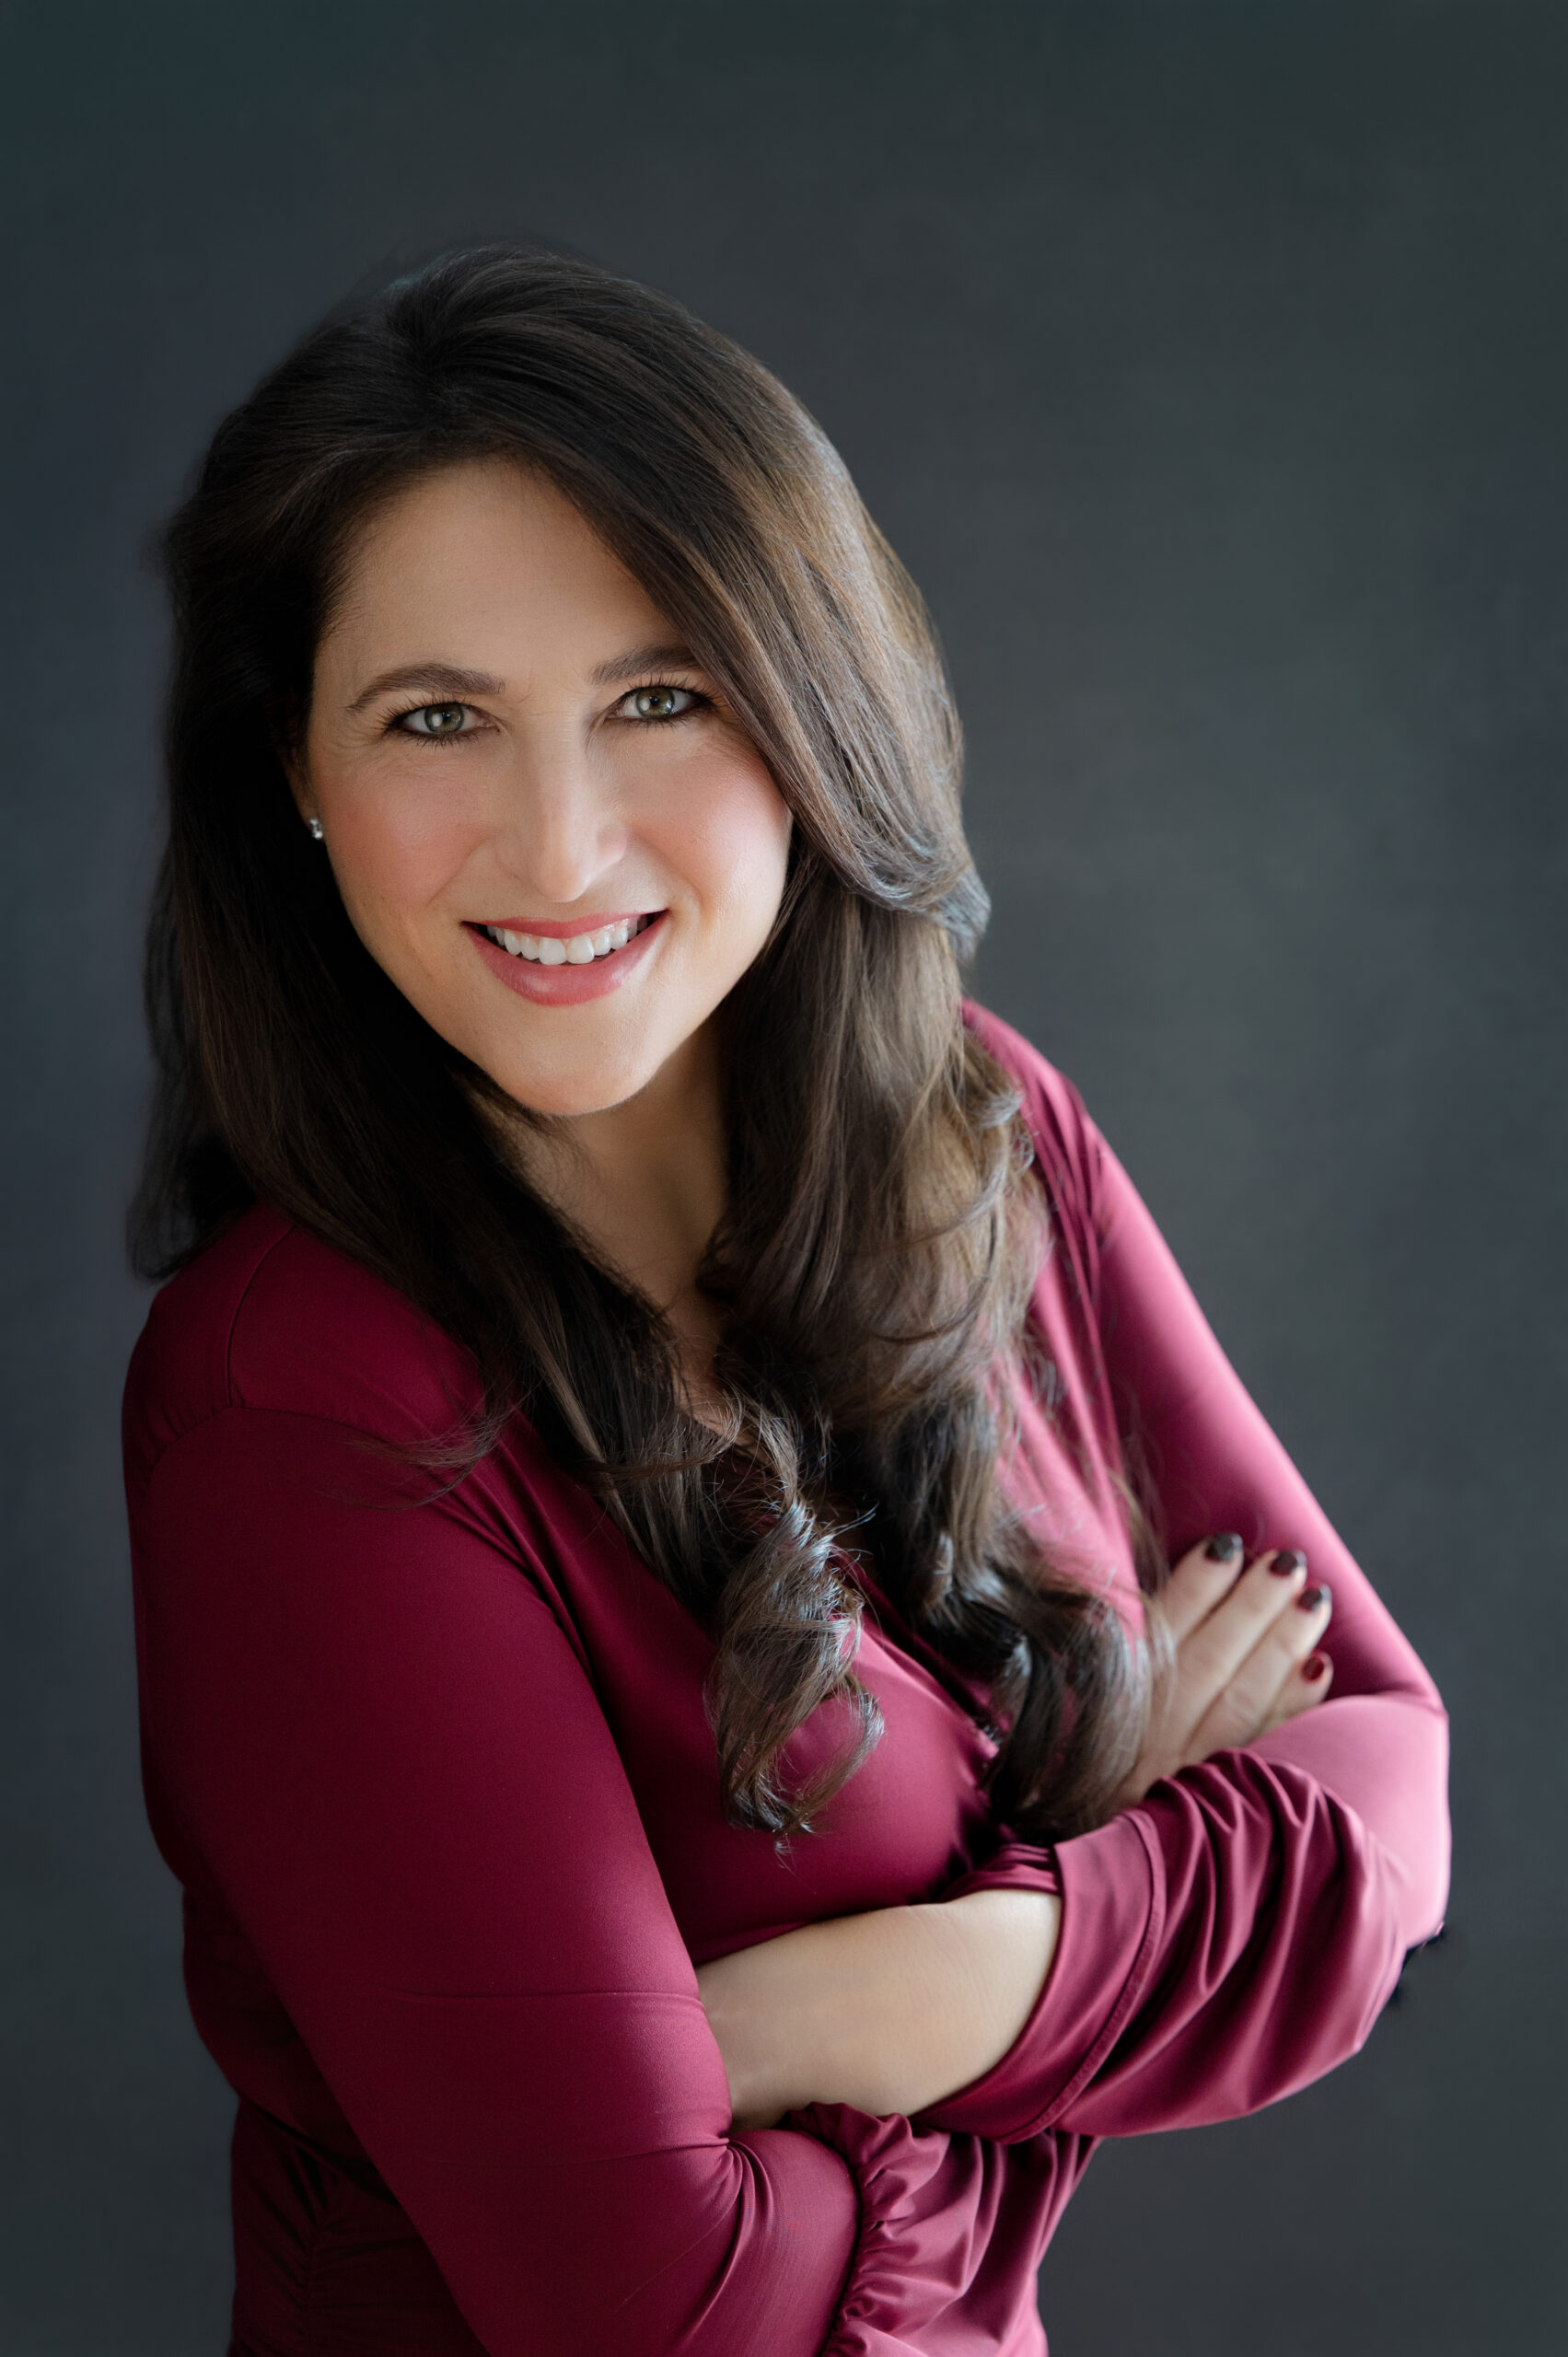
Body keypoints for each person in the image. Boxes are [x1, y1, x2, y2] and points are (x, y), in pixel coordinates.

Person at [122, 247, 1449, 2357]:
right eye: (434, 716)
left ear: (812, 711)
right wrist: (1104, 1876)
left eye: (662, 695)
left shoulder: (981, 1130)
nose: (559, 845)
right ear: (294, 769)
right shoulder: (307, 1404)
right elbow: (669, 2308)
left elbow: (1386, 1797)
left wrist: (899, 1990)